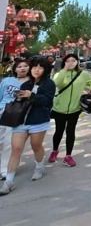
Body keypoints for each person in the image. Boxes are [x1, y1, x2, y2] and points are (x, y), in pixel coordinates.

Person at [0, 56, 55, 195]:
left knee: (36, 146)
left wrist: (32, 96)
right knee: (16, 149)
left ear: (45, 69)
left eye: (40, 67)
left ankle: (39, 167)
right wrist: (19, 97)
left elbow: (48, 102)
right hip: (21, 121)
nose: (37, 70)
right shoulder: (26, 84)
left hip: (38, 121)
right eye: (34, 67)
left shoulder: (49, 84)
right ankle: (8, 182)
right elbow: (20, 102)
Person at [48, 53, 91, 167]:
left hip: (75, 109)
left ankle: (68, 156)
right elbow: (56, 83)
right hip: (59, 109)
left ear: (77, 62)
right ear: (64, 62)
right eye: (68, 61)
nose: (71, 63)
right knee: (59, 131)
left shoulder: (83, 74)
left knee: (70, 132)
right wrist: (65, 70)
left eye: (73, 60)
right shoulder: (59, 74)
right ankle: (55, 151)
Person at [0, 58, 30, 180]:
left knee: (8, 143)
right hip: (2, 111)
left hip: (16, 115)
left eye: (25, 66)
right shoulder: (7, 80)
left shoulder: (32, 83)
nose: (22, 68)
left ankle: (4, 169)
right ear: (15, 69)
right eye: (19, 66)